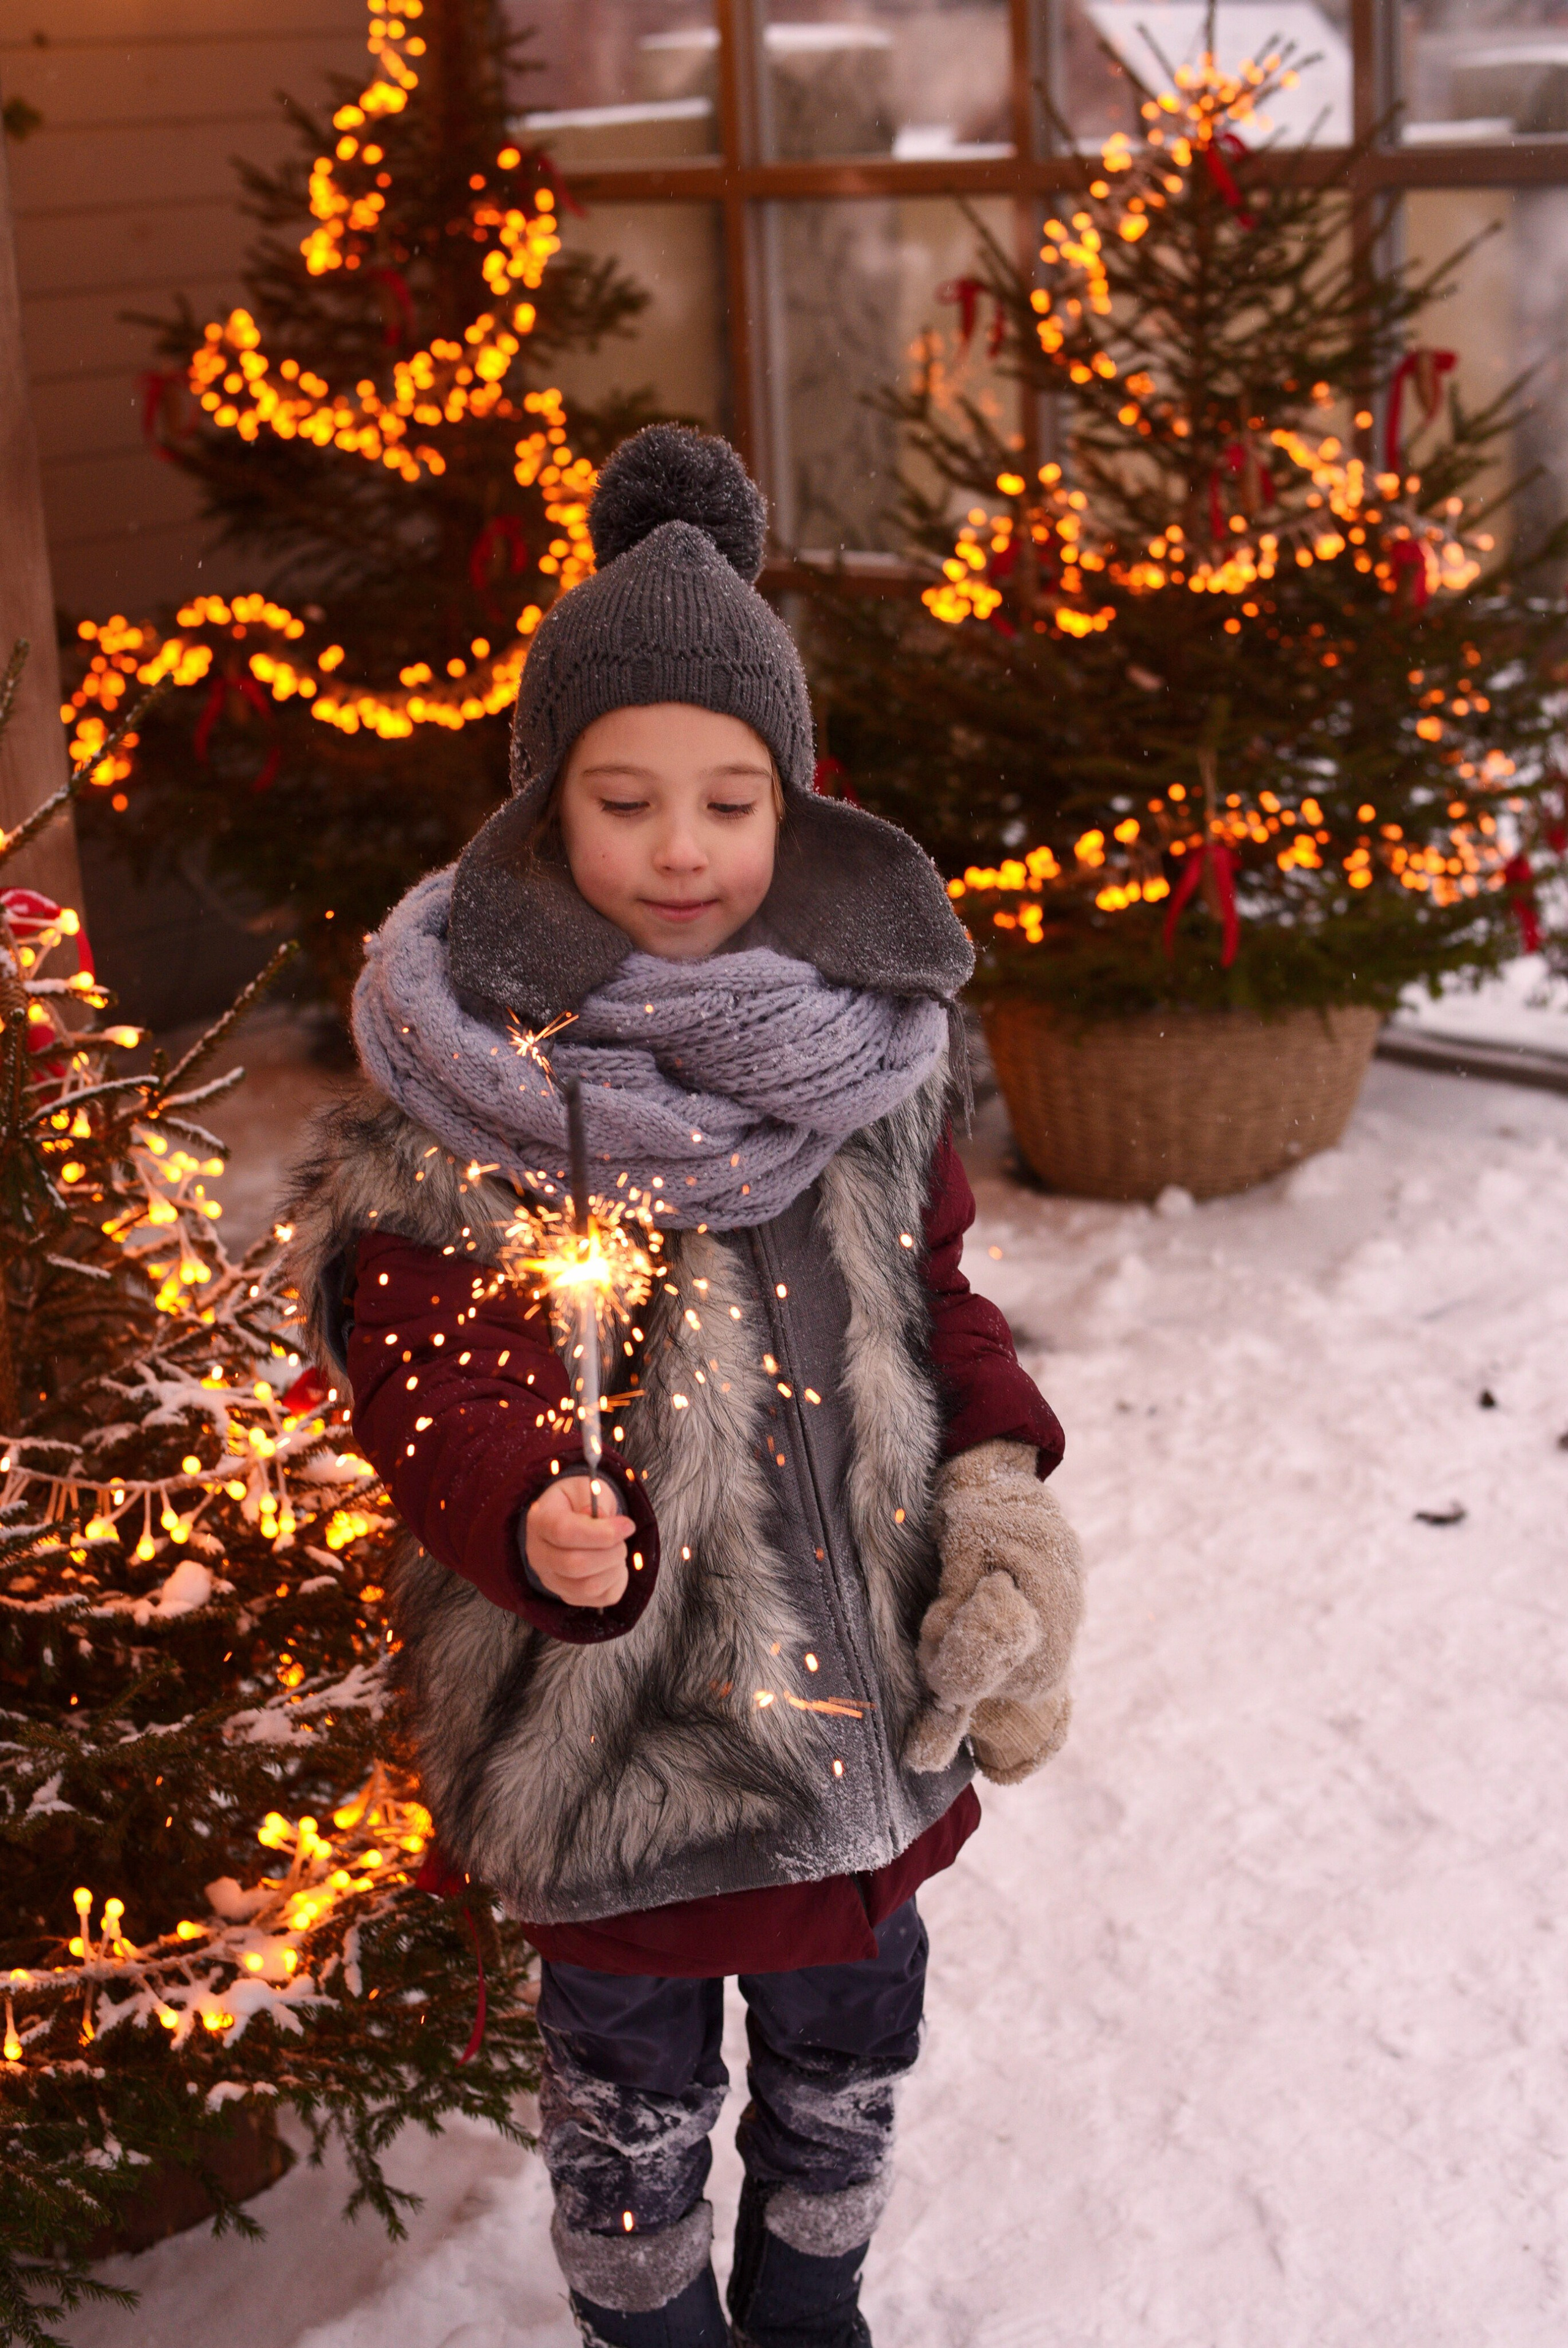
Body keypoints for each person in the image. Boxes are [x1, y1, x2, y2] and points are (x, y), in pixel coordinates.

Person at [287, 426, 1084, 2348]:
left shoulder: (869, 1066)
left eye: (727, 799)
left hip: (861, 1707)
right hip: (618, 1727)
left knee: (849, 2041)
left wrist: (1000, 1487)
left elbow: (938, 1306)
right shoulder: (488, 1081)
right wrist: (511, 1498)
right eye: (623, 798)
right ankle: (652, 2327)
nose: (678, 845)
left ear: (796, 809)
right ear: (542, 816)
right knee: (634, 2101)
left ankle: (812, 2303)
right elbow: (415, 1343)